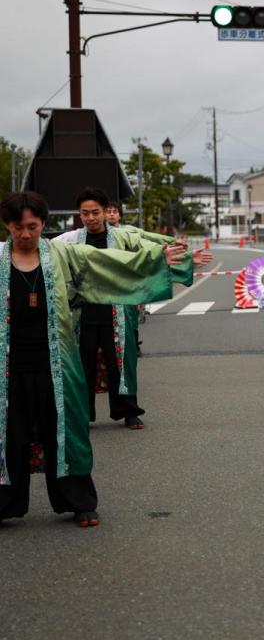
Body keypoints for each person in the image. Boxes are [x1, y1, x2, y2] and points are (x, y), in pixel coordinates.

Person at [0, 191, 183, 527]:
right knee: (9, 432)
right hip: (8, 365)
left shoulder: (62, 253)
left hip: (57, 360)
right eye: (17, 227)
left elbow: (108, 262)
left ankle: (78, 501)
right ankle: (4, 503)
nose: (25, 234)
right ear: (8, 226)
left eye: (32, 226)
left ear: (43, 224)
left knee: (67, 430)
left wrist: (157, 258)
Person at [54, 188, 197, 430]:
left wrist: (186, 258)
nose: (91, 218)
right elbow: (47, 252)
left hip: (117, 310)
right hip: (83, 312)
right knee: (81, 365)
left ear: (104, 212)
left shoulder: (122, 237)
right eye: (85, 213)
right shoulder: (71, 240)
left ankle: (129, 411)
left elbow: (149, 250)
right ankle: (82, 415)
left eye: (95, 212)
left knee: (121, 362)